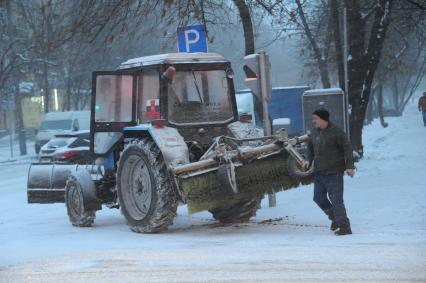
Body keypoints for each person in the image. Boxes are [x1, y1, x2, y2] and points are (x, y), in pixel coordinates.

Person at [303, 109, 355, 236]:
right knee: (318, 198)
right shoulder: (314, 132)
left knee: (337, 200)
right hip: (319, 173)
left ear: (323, 119)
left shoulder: (336, 132)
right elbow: (310, 147)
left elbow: (347, 149)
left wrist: (350, 166)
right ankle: (335, 219)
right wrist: (307, 160)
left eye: (316, 118)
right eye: (313, 118)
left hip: (334, 173)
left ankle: (345, 227)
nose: (313, 121)